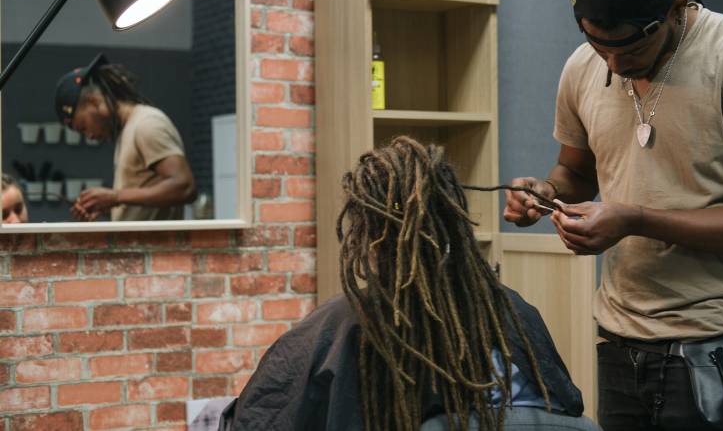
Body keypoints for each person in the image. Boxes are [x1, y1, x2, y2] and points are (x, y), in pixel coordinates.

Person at [503, 0, 723, 430]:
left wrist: (635, 219)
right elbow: (575, 173)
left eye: (630, 49)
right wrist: (545, 194)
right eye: (598, 46)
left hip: (717, 345)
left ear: (675, 6)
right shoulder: (583, 67)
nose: (613, 64)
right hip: (618, 340)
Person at [223, 137, 599, 431]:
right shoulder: (513, 311)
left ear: (367, 234)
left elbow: (260, 416)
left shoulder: (343, 325)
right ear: (455, 219)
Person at [54, 53, 196, 221]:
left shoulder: (146, 124)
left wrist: (116, 197)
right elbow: (143, 201)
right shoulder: (128, 130)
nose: (89, 136)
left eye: (83, 127)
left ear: (93, 102)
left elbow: (184, 186)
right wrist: (106, 205)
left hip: (154, 247)